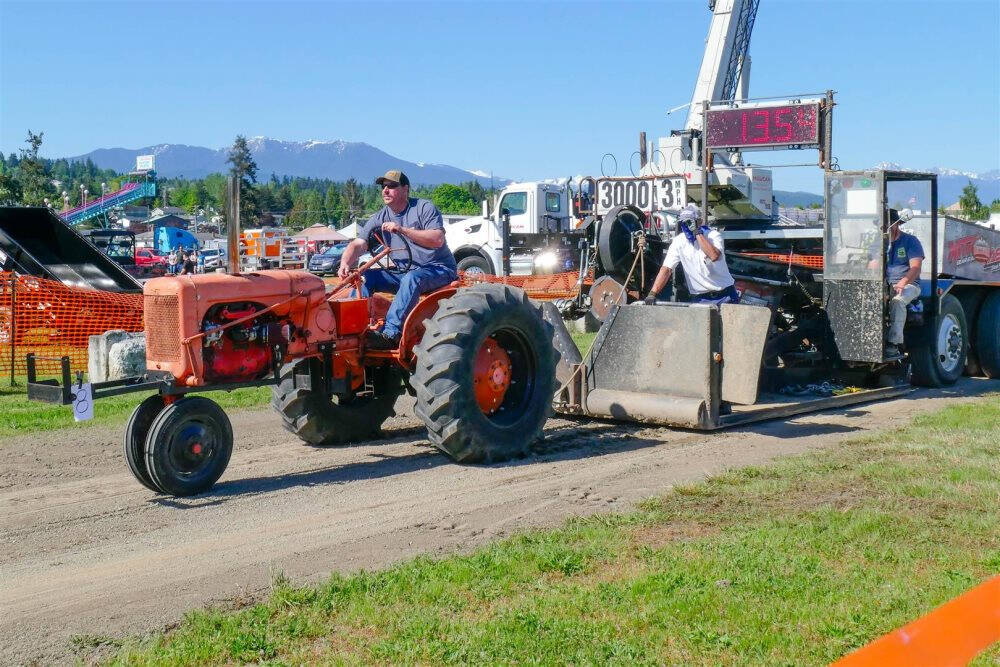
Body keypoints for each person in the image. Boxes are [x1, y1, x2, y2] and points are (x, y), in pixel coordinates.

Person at [338, 169, 458, 350]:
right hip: (405, 273)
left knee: (413, 278)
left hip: (438, 269)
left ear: (405, 189)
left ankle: (390, 334)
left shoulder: (423, 208)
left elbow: (437, 239)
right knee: (366, 276)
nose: (385, 190)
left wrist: (402, 229)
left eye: (392, 186)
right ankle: (353, 328)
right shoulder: (380, 217)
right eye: (383, 186)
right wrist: (345, 263)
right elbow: (359, 243)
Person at [644, 203, 738, 306]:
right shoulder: (679, 242)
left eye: (690, 222)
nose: (687, 226)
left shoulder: (713, 236)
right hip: (701, 298)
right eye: (684, 223)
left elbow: (714, 255)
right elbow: (666, 269)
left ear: (700, 222)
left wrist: (697, 232)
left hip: (725, 295)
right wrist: (653, 293)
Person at [869, 208, 923, 356]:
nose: (884, 228)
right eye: (881, 226)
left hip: (909, 284)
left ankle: (894, 343)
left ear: (896, 224)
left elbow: (916, 268)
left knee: (898, 301)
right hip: (884, 284)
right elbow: (872, 265)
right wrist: (873, 264)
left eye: (887, 225)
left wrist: (903, 282)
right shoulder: (878, 243)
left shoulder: (910, 241)